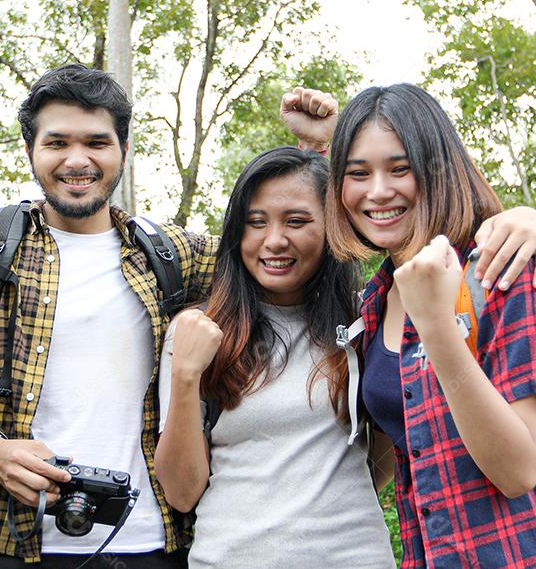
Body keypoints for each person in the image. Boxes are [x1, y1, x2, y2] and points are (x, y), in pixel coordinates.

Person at [0, 65, 536, 568]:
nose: (77, 159)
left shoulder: (171, 257)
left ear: (122, 149)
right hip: (15, 539)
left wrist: (523, 216)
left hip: (155, 541)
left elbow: (332, 217)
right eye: (57, 142)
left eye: (96, 142)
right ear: (30, 151)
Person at [324, 83, 536, 568]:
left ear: (436, 169)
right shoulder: (375, 299)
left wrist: (436, 328)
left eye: (400, 168)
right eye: (358, 173)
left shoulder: (503, 271)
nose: (377, 191)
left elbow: (517, 470)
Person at [154, 146, 396, 568]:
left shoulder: (366, 321)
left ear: (331, 228)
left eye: (297, 221)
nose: (274, 240)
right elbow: (181, 492)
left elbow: (385, 455)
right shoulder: (198, 330)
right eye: (256, 223)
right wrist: (186, 375)